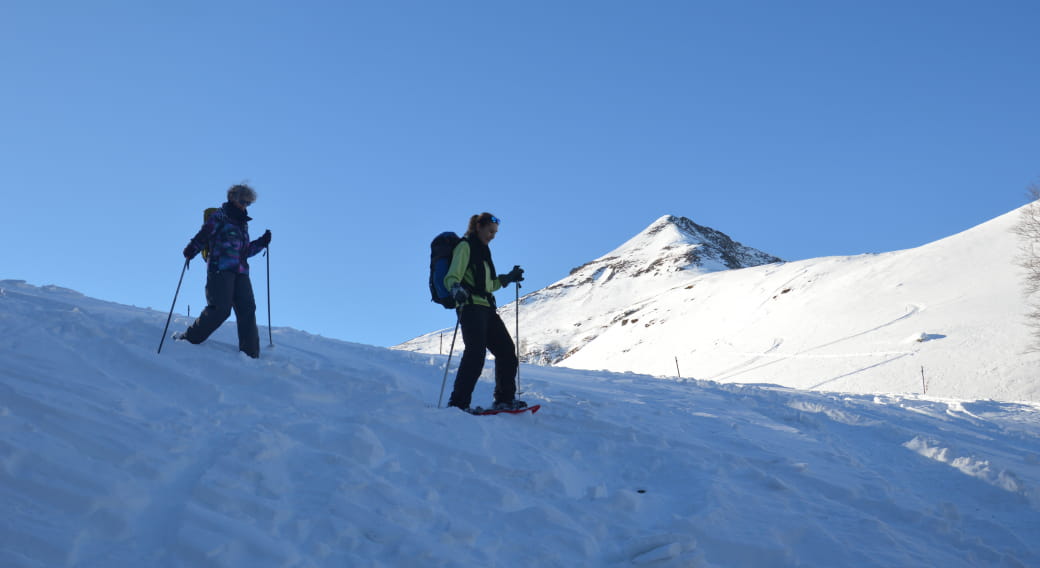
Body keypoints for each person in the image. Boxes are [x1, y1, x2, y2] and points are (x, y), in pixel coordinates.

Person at [177, 184, 271, 358]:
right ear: (233, 198)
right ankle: (189, 339)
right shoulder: (219, 216)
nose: (245, 206)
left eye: (248, 203)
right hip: (220, 269)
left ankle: (251, 354)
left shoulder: (243, 224)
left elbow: (244, 252)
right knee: (220, 309)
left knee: (247, 308)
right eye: (243, 201)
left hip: (241, 272)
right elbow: (204, 235)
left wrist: (261, 243)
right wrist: (192, 249)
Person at [445, 212, 526, 412]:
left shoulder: (483, 252)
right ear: (479, 227)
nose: (493, 236)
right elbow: (451, 276)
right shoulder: (465, 247)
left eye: (495, 232)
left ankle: (504, 399)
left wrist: (508, 278)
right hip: (470, 307)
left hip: (487, 308)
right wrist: (456, 288)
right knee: (475, 354)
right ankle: (458, 403)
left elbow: (488, 285)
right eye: (490, 231)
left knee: (507, 352)